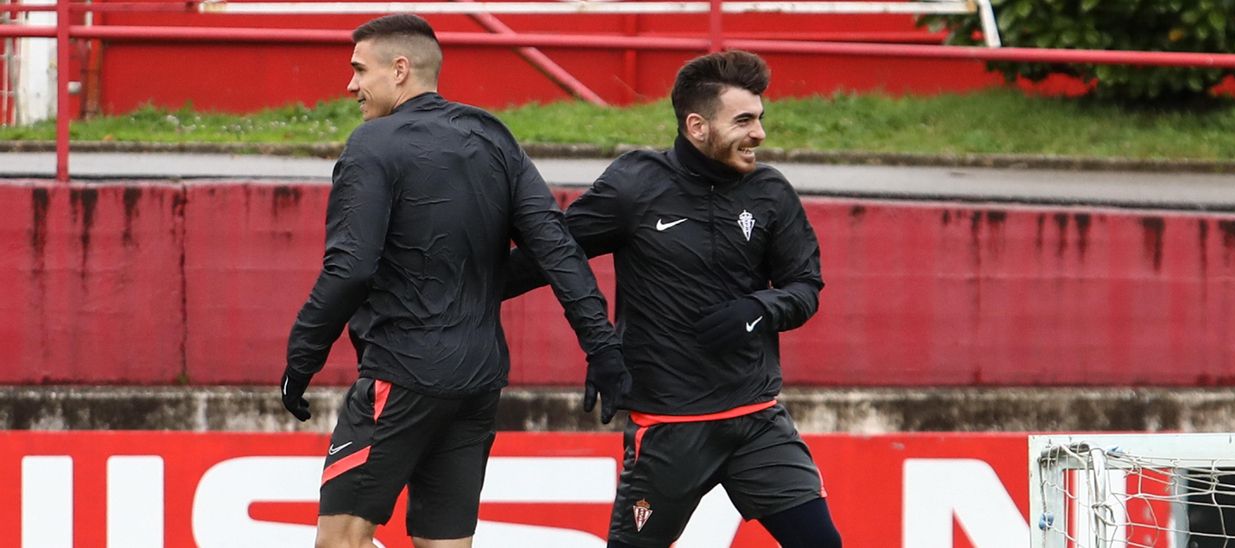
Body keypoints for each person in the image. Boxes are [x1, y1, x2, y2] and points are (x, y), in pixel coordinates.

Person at [280, 14, 631, 548]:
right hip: (478, 384)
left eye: (359, 70)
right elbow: (555, 248)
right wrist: (601, 347)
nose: (350, 85)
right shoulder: (492, 136)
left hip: (401, 375)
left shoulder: (371, 144)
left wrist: (300, 358)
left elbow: (350, 269)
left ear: (400, 70)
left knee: (340, 541)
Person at [503, 50, 841, 548]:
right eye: (744, 121)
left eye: (760, 119)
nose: (760, 135)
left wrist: (757, 310)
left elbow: (805, 288)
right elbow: (550, 254)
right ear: (697, 125)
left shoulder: (770, 192)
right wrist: (455, 290)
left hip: (757, 421)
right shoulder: (636, 185)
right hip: (670, 430)